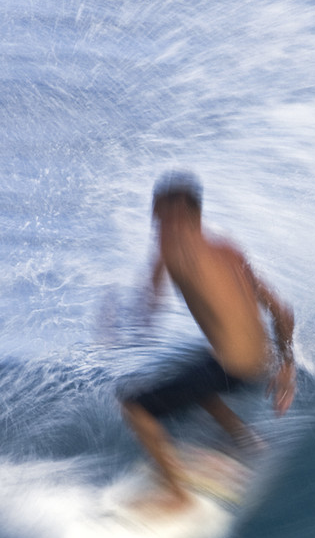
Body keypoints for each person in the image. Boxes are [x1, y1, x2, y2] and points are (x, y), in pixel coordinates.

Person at [120, 172, 295, 511]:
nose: (155, 225)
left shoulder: (172, 249)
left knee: (135, 407)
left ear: (173, 217)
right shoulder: (228, 249)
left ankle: (176, 495)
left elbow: (147, 318)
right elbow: (282, 312)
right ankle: (245, 440)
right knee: (196, 370)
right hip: (263, 364)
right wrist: (287, 365)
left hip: (232, 368)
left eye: (158, 216)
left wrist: (120, 324)